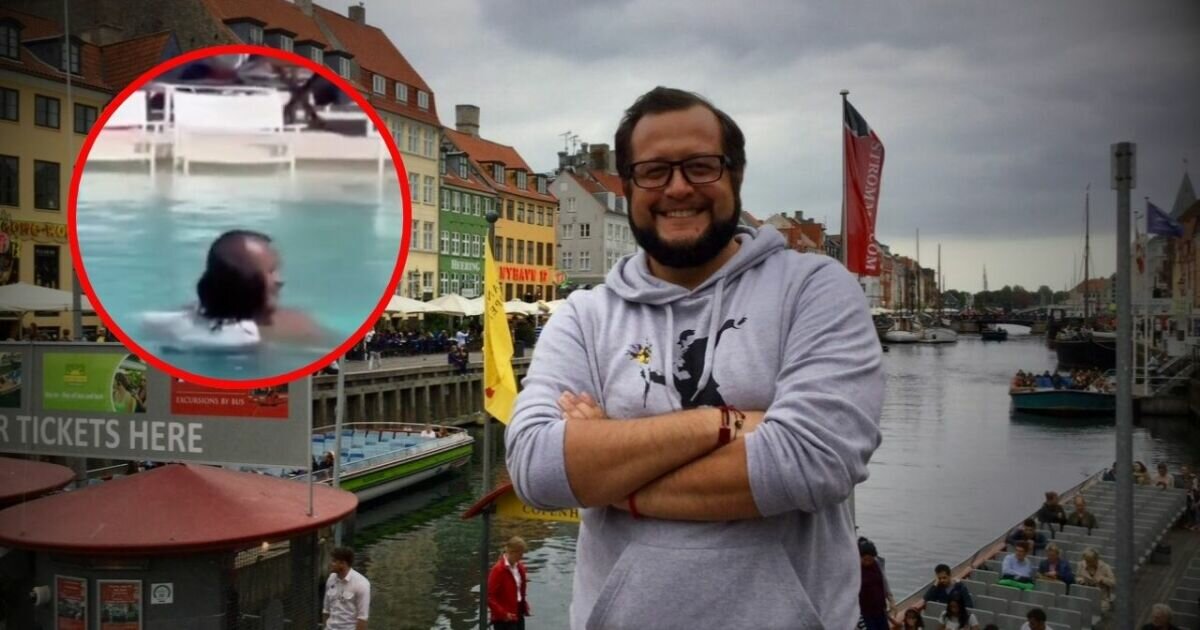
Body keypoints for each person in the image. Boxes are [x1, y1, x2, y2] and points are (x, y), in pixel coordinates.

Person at [505, 86, 884, 629]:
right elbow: (537, 470)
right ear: (628, 184)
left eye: (700, 166)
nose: (678, 187)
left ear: (736, 175)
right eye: (654, 171)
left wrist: (607, 468)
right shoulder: (584, 315)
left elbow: (811, 462)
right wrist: (723, 424)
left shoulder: (814, 289)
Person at [143, 230, 324, 350]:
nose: (280, 280)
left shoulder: (169, 324)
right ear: (245, 283)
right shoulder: (296, 327)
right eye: (271, 272)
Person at [488, 536, 532, 630]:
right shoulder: (498, 570)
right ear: (512, 552)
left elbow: (519, 590)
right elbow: (489, 596)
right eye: (520, 554)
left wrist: (524, 605)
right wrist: (503, 614)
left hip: (518, 612)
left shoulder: (520, 567)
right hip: (504, 618)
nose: (521, 557)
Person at [322, 547, 369, 630]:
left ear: (342, 564)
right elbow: (326, 610)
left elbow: (362, 618)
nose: (330, 564)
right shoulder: (331, 579)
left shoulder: (361, 584)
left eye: (334, 561)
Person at [859, 538, 893, 630]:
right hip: (864, 612)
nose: (867, 562)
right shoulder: (854, 568)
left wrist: (891, 601)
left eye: (870, 559)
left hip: (880, 608)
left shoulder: (878, 564)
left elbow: (884, 583)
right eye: (864, 559)